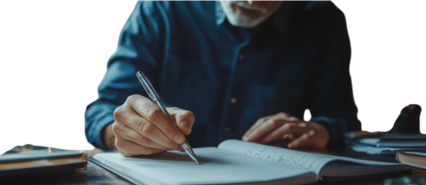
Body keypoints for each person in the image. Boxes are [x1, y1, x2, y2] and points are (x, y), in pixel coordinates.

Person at [83, 0, 362, 157]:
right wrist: (120, 131)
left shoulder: (322, 22)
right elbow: (103, 109)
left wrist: (323, 130)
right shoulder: (161, 9)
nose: (253, 1)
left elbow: (344, 121)